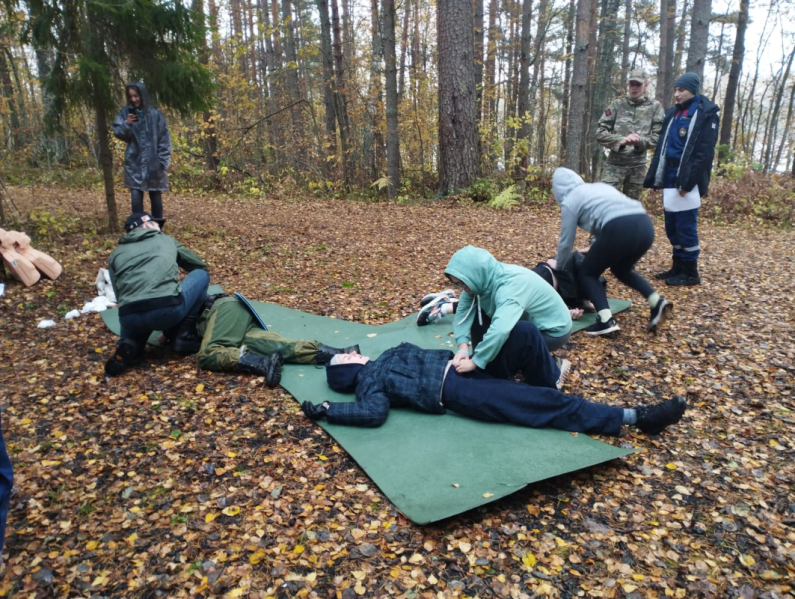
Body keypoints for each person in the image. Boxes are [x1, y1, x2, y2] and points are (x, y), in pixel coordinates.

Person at [300, 330, 687, 436]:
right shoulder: (369, 384)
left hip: (466, 367)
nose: (350, 352)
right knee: (542, 404)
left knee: (523, 332)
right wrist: (331, 410)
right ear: (347, 370)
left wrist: (466, 352)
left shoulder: (382, 357)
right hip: (458, 391)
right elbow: (373, 413)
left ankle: (548, 379)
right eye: (345, 357)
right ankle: (636, 418)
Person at [552, 167, 672, 335]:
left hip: (619, 227)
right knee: (621, 270)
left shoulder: (570, 201)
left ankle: (605, 320)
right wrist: (596, 246)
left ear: (558, 189)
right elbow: (605, 215)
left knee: (587, 273)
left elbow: (566, 242)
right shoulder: (597, 188)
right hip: (645, 225)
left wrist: (559, 267)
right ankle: (656, 301)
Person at [442, 246, 572, 378]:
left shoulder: (509, 287)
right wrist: (463, 349)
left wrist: (476, 361)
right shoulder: (478, 281)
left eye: (462, 282)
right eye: (457, 284)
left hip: (553, 331)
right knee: (494, 353)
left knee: (506, 348)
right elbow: (462, 313)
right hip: (529, 321)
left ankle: (553, 367)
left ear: (476, 274)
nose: (461, 287)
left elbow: (501, 330)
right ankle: (496, 364)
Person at [105, 213, 209, 377]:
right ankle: (183, 337)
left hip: (128, 315)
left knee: (138, 322)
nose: (159, 228)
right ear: (147, 224)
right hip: (166, 310)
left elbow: (119, 293)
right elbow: (197, 264)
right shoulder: (164, 239)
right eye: (156, 224)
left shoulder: (116, 253)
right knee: (201, 275)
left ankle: (129, 344)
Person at [644, 72, 720, 286]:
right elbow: (663, 149)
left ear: (693, 90)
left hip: (687, 180)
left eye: (681, 90)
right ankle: (677, 267)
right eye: (675, 90)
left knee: (685, 226)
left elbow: (704, 154)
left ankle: (690, 272)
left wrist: (688, 183)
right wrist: (657, 179)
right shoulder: (674, 114)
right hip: (669, 178)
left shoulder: (706, 114)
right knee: (672, 226)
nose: (677, 94)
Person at [195, 293, 361, 387]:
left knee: (209, 354)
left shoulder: (182, 296)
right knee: (268, 343)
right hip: (233, 316)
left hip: (223, 311)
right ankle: (341, 354)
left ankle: (262, 363)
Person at [596, 69, 664, 200]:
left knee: (632, 207)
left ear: (646, 85)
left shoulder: (655, 107)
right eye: (631, 84)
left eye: (638, 84)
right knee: (604, 203)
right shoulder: (617, 104)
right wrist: (620, 140)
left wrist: (640, 142)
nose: (634, 87)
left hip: (637, 167)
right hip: (614, 165)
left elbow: (658, 137)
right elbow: (600, 133)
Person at [112, 82, 172, 227]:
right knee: (136, 197)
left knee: (155, 196)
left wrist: (162, 163)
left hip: (154, 164)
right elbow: (118, 132)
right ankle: (139, 229)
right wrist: (126, 124)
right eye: (131, 96)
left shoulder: (156, 116)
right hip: (134, 164)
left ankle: (157, 230)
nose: (134, 99)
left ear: (142, 95)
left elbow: (164, 140)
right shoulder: (125, 113)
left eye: (136, 96)